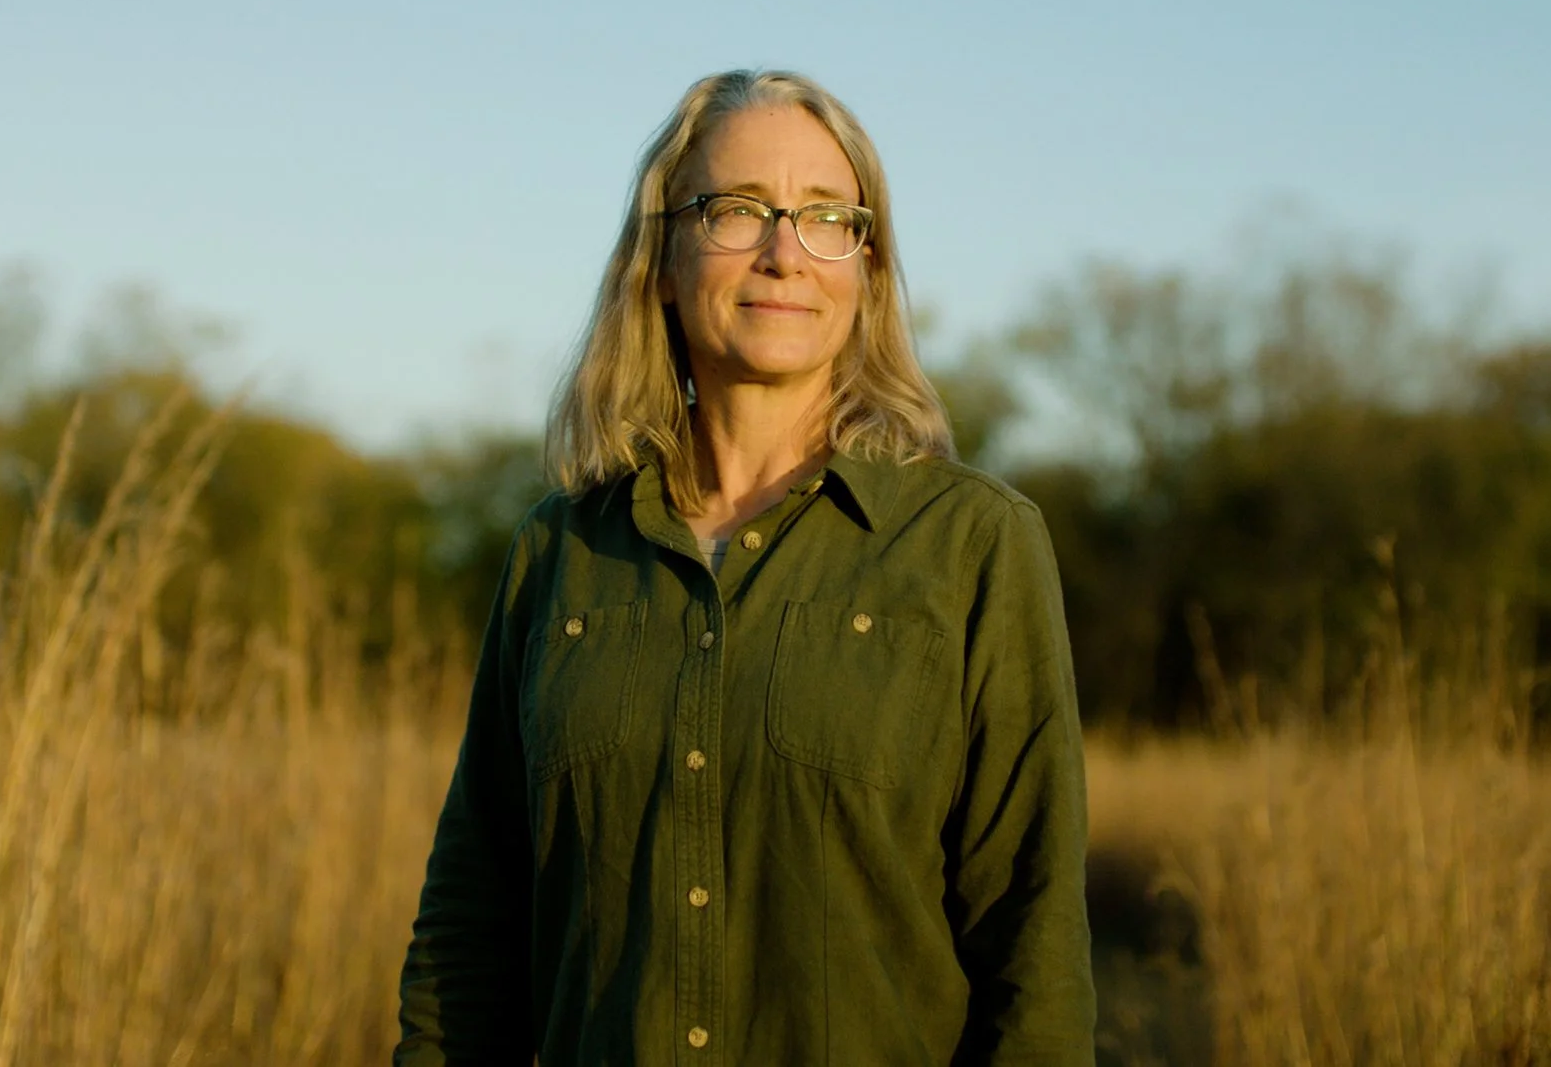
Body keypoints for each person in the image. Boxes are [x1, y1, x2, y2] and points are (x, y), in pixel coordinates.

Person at [396, 69, 1094, 1065]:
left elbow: (1035, 950)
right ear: (662, 259)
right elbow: (471, 927)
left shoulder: (973, 545)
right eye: (736, 210)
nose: (783, 253)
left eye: (826, 218)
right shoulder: (559, 551)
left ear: (867, 269)